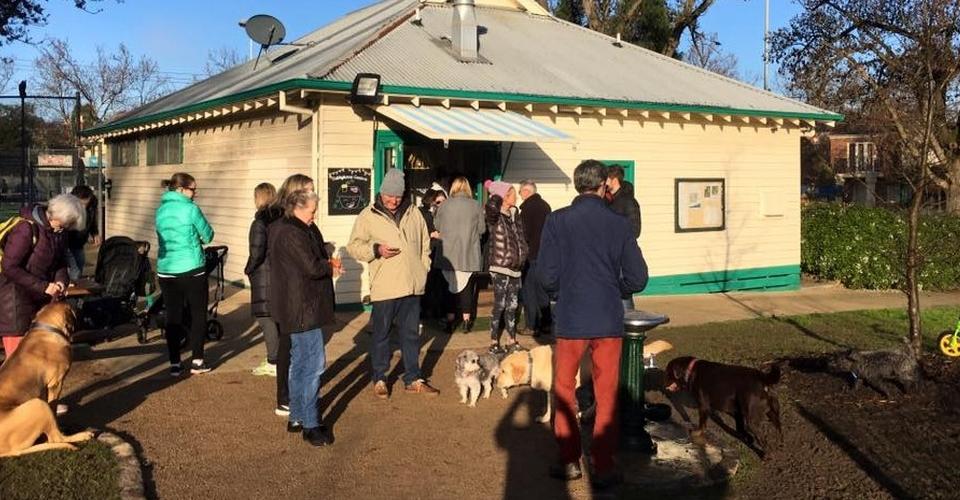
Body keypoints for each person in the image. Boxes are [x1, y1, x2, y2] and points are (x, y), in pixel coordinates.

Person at [539, 160, 648, 489]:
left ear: (577, 185)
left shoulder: (557, 221)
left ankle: (570, 459)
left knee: (563, 389)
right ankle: (603, 465)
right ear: (604, 185)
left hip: (571, 317)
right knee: (606, 392)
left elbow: (546, 276)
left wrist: (562, 291)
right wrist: (616, 289)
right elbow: (638, 277)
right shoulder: (618, 224)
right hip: (606, 318)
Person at [347, 168, 440, 398]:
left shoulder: (414, 213)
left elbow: (425, 244)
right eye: (389, 195)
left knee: (411, 335)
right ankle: (379, 378)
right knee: (381, 334)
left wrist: (423, 269)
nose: (393, 200)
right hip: (385, 285)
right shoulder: (367, 215)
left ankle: (413, 378)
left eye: (397, 196)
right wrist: (375, 250)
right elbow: (353, 246)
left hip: (411, 283)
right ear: (381, 192)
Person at [268, 188, 339, 446]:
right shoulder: (292, 232)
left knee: (299, 364)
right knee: (313, 365)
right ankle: (311, 422)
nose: (314, 215)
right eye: (312, 210)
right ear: (298, 208)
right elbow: (310, 266)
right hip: (303, 308)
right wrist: (329, 266)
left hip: (295, 306)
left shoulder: (283, 228)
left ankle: (297, 415)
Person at [0, 194, 83, 356]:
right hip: (14, 301)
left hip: (40, 300)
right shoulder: (25, 229)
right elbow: (9, 267)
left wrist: (61, 280)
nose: (66, 228)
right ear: (56, 215)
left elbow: (60, 260)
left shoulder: (59, 232)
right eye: (66, 223)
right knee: (19, 362)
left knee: (39, 357)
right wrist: (44, 286)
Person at [155, 172, 215, 376]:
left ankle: (174, 363)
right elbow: (208, 235)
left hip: (166, 270)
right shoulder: (191, 209)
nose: (195, 193)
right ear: (181, 189)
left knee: (173, 316)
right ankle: (197, 361)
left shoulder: (160, 210)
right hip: (192, 269)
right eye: (193, 189)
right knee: (198, 315)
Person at [269, 173, 317, 417]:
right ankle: (289, 400)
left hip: (300, 297)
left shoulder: (303, 224)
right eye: (308, 191)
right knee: (294, 353)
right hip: (292, 298)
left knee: (300, 354)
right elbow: (305, 264)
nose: (312, 195)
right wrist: (323, 265)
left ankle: (295, 401)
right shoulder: (282, 226)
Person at [434, 177, 485, 334]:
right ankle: (466, 321)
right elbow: (482, 229)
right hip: (468, 252)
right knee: (466, 289)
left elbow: (437, 225)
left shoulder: (444, 205)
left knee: (449, 288)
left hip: (448, 254)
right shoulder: (475, 205)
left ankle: (449, 319)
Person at [483, 180, 528, 355]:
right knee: (499, 304)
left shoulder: (515, 214)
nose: (515, 196)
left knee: (513, 305)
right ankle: (494, 341)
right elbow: (491, 208)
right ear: (504, 197)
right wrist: (496, 193)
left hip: (515, 267)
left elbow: (520, 237)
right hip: (500, 266)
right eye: (511, 193)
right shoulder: (494, 216)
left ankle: (511, 339)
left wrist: (524, 253)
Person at [245, 183, 282, 380]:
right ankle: (281, 357)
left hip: (264, 274)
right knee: (277, 319)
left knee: (265, 318)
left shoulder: (260, 223)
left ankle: (273, 361)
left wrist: (249, 269)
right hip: (279, 274)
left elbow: (256, 252)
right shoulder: (282, 219)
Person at [604, 165, 642, 311]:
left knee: (624, 295)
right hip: (607, 256)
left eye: (606, 178)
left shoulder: (628, 202)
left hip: (621, 257)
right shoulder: (607, 201)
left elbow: (635, 230)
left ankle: (628, 326)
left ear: (614, 179)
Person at [517, 180, 552, 336]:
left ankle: (531, 325)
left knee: (528, 291)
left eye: (520, 191)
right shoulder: (545, 206)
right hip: (544, 255)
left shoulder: (526, 209)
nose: (519, 195)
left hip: (531, 255)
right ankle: (546, 323)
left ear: (526, 191)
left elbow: (524, 234)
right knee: (542, 291)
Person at [419, 186, 450, 322]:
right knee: (429, 281)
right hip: (430, 250)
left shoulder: (448, 214)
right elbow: (420, 231)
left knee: (442, 283)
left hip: (444, 251)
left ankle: (440, 311)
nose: (441, 205)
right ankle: (426, 310)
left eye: (444, 202)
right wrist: (432, 234)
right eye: (438, 202)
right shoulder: (423, 213)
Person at [65, 185, 99, 281]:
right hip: (66, 242)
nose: (83, 206)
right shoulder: (67, 207)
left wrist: (94, 232)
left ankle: (74, 288)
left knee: (80, 264)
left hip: (79, 243)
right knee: (74, 270)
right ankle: (70, 290)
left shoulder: (92, 205)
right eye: (80, 203)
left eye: (85, 203)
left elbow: (92, 220)